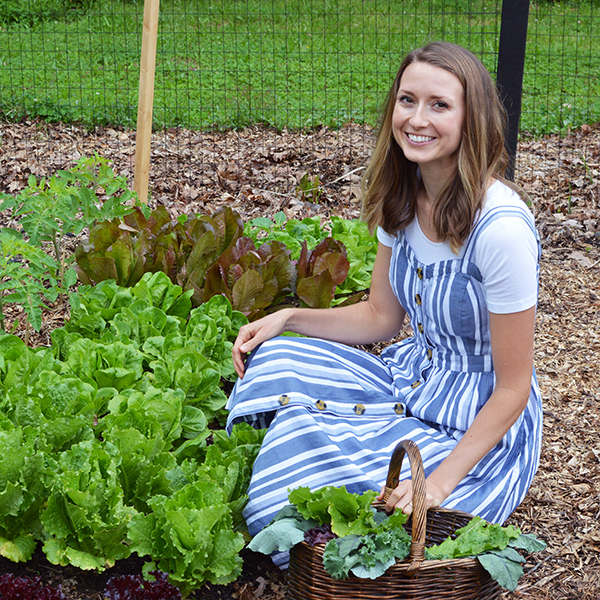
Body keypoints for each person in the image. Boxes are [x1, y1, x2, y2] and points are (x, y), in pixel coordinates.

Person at [226, 41, 542, 555]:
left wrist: (437, 483)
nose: (417, 119)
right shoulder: (404, 195)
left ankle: (315, 466)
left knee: (332, 459)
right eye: (407, 100)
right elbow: (380, 317)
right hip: (414, 373)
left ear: (472, 119)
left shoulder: (501, 230)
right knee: (276, 354)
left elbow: (513, 390)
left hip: (477, 417)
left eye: (439, 105)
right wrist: (288, 317)